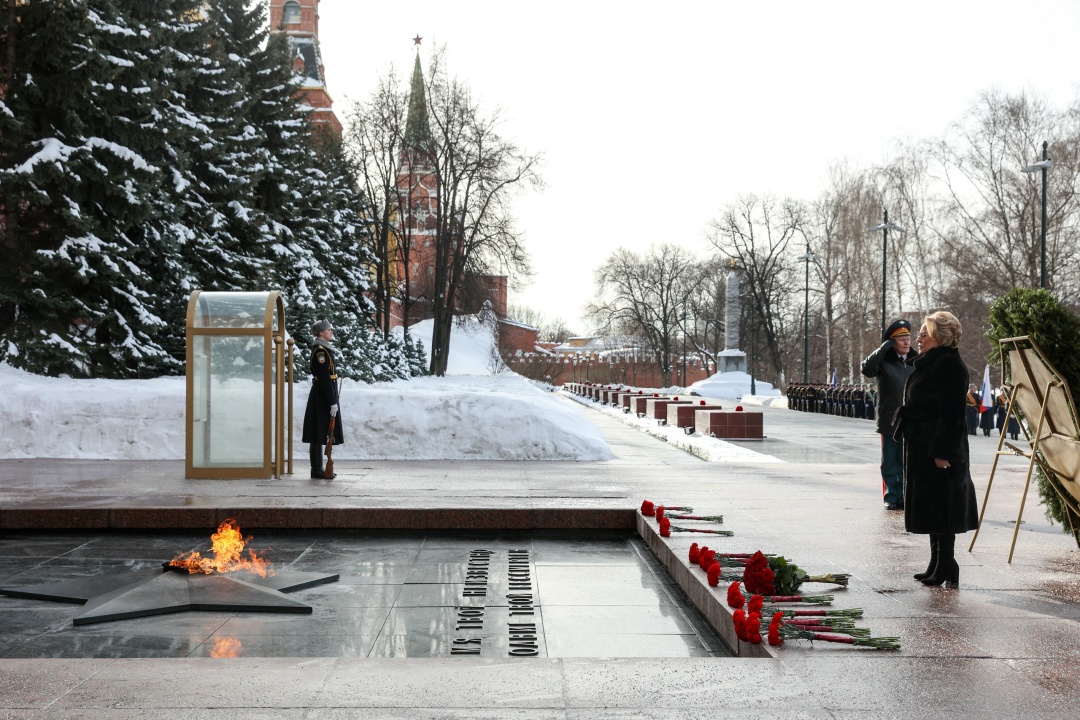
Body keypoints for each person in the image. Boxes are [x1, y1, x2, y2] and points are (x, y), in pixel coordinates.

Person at [895, 311, 979, 588]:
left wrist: (942, 451)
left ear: (940, 337)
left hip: (939, 449)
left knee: (943, 507)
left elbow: (952, 414)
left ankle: (946, 564)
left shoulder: (948, 365)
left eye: (924, 334)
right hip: (924, 445)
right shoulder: (932, 362)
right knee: (933, 506)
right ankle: (937, 562)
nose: (918, 338)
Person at [861, 319, 917, 511]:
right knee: (890, 462)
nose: (907, 342)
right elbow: (866, 368)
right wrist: (883, 349)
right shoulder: (884, 363)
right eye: (901, 339)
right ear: (892, 343)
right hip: (889, 420)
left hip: (911, 420)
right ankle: (891, 496)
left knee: (907, 461)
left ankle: (905, 496)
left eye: (908, 338)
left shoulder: (915, 362)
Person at [302, 319, 343, 479]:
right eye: (329, 330)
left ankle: (318, 468)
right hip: (321, 394)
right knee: (317, 432)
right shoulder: (321, 351)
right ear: (321, 333)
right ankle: (317, 469)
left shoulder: (325, 349)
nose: (331, 332)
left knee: (320, 431)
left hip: (324, 392)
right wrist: (331, 401)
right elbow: (324, 378)